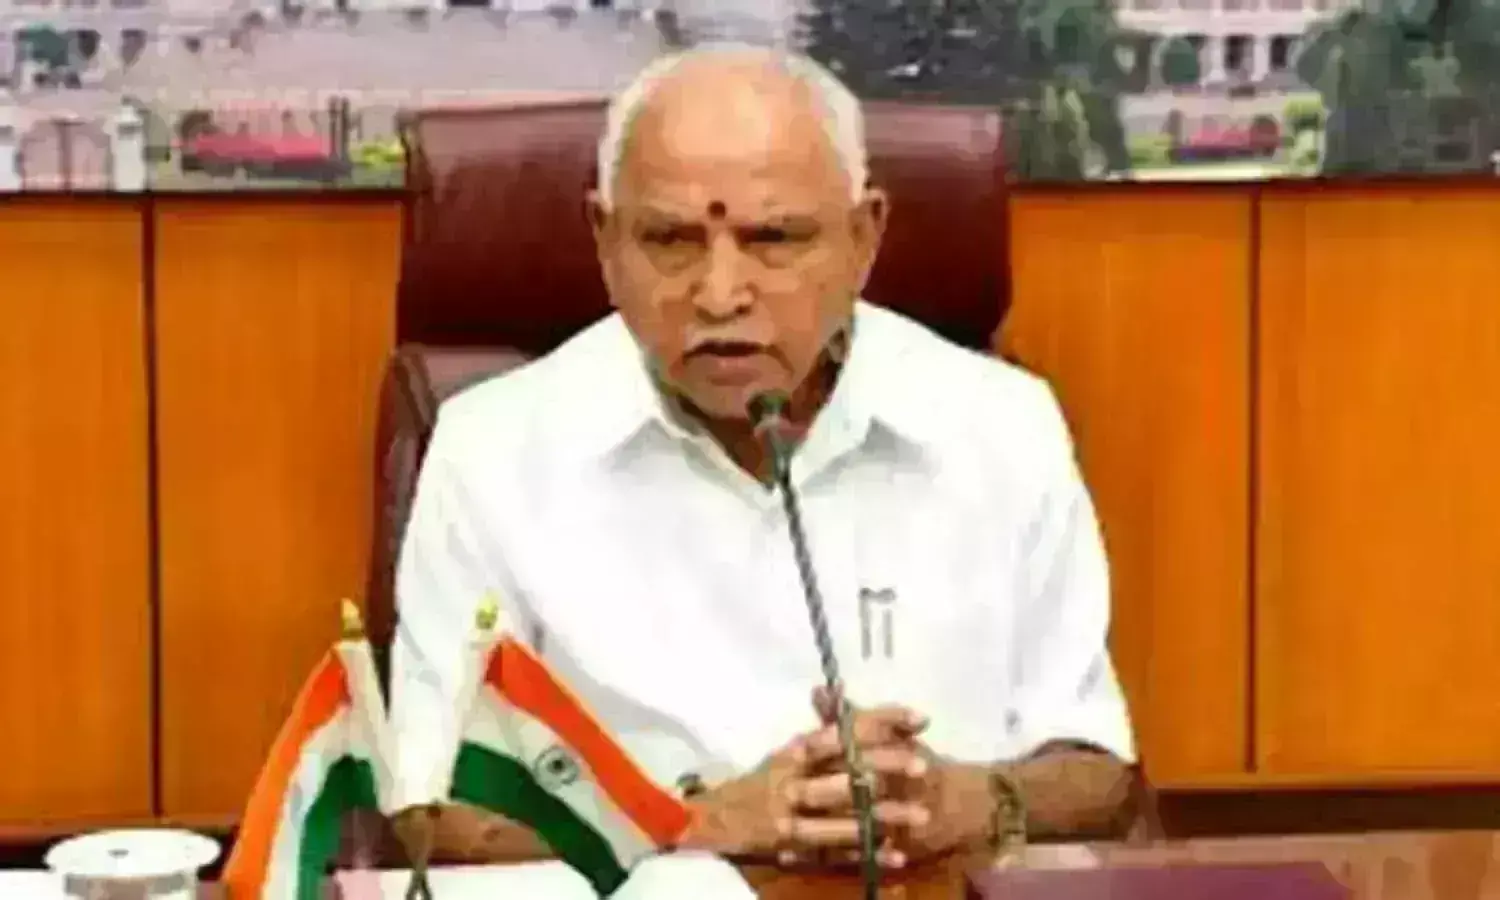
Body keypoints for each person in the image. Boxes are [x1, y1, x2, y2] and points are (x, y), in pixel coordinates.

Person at [390, 43, 1138, 874]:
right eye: (669, 239)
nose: (720, 294)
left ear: (864, 237)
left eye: (775, 239)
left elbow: (1098, 770)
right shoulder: (491, 450)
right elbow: (428, 810)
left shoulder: (999, 426)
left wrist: (972, 802)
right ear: (605, 240)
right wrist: (696, 822)